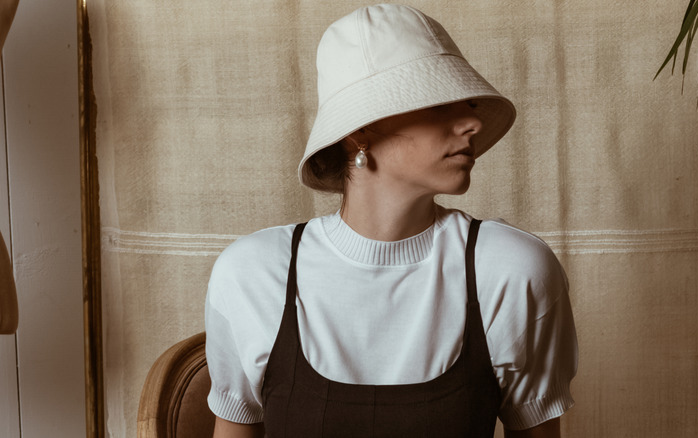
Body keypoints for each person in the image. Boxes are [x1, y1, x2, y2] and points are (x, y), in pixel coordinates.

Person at [205, 4, 577, 437]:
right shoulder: (252, 274)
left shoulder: (511, 271)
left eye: (470, 103)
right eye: (441, 104)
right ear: (360, 131)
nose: (474, 122)